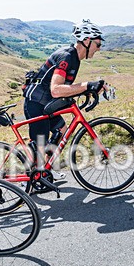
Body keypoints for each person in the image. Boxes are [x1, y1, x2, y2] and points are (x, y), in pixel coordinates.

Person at [22, 19, 107, 179]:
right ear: (87, 41)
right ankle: (30, 180)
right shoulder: (67, 56)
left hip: (46, 102)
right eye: (98, 44)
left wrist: (88, 90)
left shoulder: (75, 58)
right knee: (40, 144)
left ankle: (45, 169)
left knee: (61, 130)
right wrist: (86, 85)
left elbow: (65, 88)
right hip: (36, 102)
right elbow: (56, 90)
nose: (99, 48)